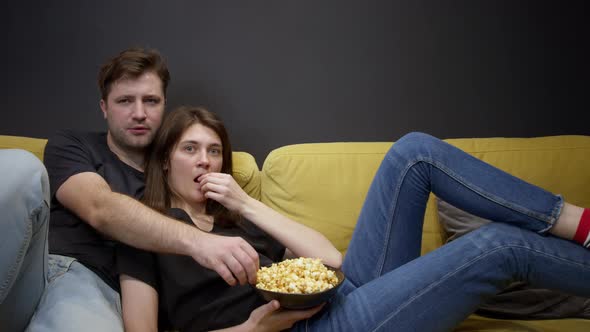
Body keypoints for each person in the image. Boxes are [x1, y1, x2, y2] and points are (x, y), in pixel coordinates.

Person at [117, 106, 590, 332]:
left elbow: (328, 259)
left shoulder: (241, 219)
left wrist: (245, 204)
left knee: (414, 152)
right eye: (190, 149)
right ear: (164, 160)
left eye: (215, 151)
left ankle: (578, 223)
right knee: (499, 246)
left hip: (340, 298)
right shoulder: (147, 234)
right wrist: (252, 331)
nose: (205, 161)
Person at [0, 48, 259, 332]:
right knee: (19, 166)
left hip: (100, 289)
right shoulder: (73, 144)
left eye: (151, 101)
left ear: (164, 106)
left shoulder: (177, 174)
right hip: (37, 267)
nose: (139, 114)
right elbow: (99, 207)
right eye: (125, 101)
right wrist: (200, 243)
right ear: (104, 107)